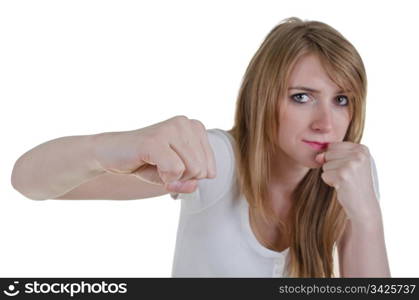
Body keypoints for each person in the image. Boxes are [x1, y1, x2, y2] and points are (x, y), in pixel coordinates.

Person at [11, 17, 390, 278]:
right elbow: (28, 181)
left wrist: (367, 217)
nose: (326, 122)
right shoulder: (219, 160)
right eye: (302, 97)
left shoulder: (349, 174)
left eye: (342, 100)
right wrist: (111, 147)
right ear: (262, 99)